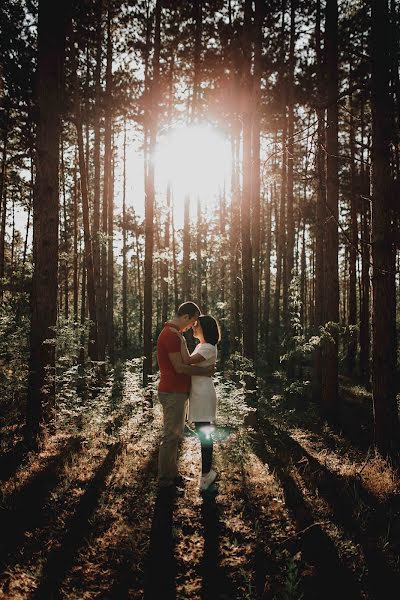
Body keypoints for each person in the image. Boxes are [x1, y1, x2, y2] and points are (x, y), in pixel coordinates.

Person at [157, 302, 214, 495]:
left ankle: (172, 475)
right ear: (186, 317)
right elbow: (180, 367)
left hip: (177, 393)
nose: (192, 326)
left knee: (175, 436)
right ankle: (165, 481)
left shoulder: (175, 335)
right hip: (172, 392)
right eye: (193, 322)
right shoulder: (171, 335)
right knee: (170, 436)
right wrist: (204, 371)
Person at [172, 315, 220, 492]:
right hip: (198, 394)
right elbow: (190, 367)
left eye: (196, 325)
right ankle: (207, 473)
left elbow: (185, 362)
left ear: (205, 328)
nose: (193, 327)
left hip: (204, 395)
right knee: (203, 433)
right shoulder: (202, 346)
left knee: (204, 434)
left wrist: (180, 339)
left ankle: (207, 475)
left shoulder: (208, 347)